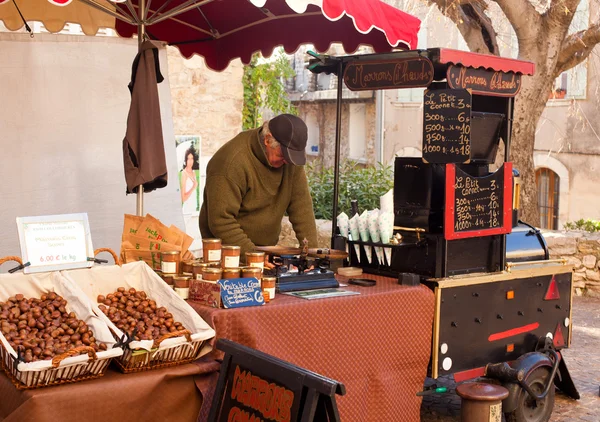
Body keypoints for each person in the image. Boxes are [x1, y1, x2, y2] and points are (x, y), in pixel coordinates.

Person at [199, 114, 318, 260]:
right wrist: (254, 256)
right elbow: (221, 221)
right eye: (283, 155)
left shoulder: (289, 160)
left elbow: (301, 206)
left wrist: (312, 255)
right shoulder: (231, 162)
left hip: (264, 252)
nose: (287, 161)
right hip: (226, 255)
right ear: (267, 140)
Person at [180, 146, 199, 214]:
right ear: (185, 160)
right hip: (187, 209)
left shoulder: (193, 172)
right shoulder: (184, 174)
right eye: (188, 159)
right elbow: (183, 198)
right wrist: (193, 187)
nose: (190, 161)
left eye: (192, 158)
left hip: (194, 207)